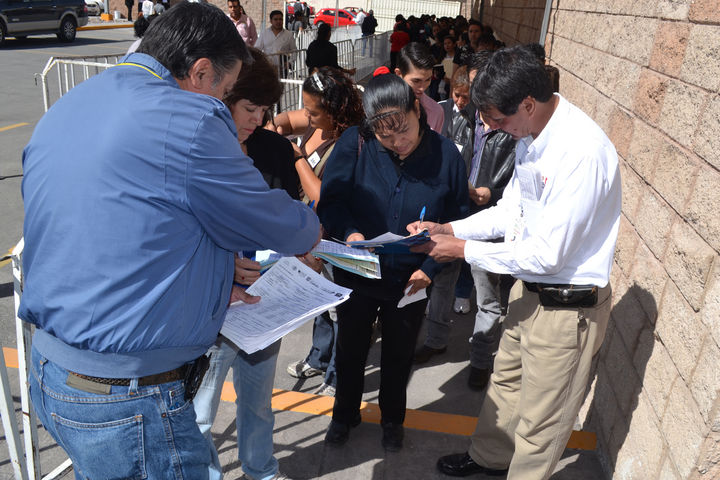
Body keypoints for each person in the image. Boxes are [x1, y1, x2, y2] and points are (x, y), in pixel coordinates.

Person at [20, 4, 321, 478]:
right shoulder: (189, 118)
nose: (222, 104)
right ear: (200, 72)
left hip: (54, 373)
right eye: (225, 90)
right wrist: (311, 226)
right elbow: (280, 224)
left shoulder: (76, 100)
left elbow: (121, 230)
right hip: (127, 395)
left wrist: (212, 271)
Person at [408, 45, 621, 479]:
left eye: (497, 119)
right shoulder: (531, 135)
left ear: (527, 104)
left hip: (567, 308)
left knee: (542, 421)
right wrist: (449, 228)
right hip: (529, 290)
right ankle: (488, 457)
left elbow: (547, 256)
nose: (492, 128)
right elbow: (511, 212)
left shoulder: (580, 152)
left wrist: (461, 250)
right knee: (505, 383)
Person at [319, 70, 469, 452]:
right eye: (386, 138)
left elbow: (458, 221)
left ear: (417, 109)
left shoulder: (447, 157)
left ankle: (392, 420)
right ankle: (344, 415)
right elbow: (331, 203)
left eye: (404, 131)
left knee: (399, 353)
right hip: (357, 272)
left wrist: (429, 270)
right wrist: (351, 234)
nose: (398, 143)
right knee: (350, 349)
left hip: (411, 278)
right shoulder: (356, 143)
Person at [193, 47, 303, 480]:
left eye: (264, 111)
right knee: (200, 415)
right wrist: (224, 266)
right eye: (248, 108)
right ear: (224, 98)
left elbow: (286, 218)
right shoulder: (199, 151)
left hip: (263, 303)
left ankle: (262, 470)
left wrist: (296, 257)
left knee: (257, 403)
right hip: (214, 310)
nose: (257, 120)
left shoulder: (274, 150)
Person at [415, 52, 517, 393]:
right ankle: (436, 340)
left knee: (487, 296)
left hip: (490, 222)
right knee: (442, 285)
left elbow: (516, 183)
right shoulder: (458, 118)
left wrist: (492, 192)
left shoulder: (512, 130)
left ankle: (480, 360)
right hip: (455, 216)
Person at [275, 67, 364, 396]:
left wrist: (297, 158)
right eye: (306, 108)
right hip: (309, 232)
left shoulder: (349, 140)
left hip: (335, 234)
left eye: (313, 111)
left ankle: (337, 375)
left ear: (334, 109)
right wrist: (277, 126)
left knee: (338, 307)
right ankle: (319, 357)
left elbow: (323, 195)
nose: (307, 116)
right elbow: (284, 120)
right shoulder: (316, 121)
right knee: (319, 303)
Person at [395, 42, 444, 133]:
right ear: (399, 74)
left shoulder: (436, 111)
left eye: (428, 80)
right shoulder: (382, 107)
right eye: (416, 81)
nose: (422, 88)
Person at [256, 9, 297, 76]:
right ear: (271, 21)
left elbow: (294, 51)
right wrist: (262, 62)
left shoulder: (288, 35)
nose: (278, 21)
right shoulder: (264, 33)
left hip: (282, 69)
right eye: (275, 19)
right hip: (268, 68)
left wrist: (289, 62)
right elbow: (257, 49)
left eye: (280, 19)